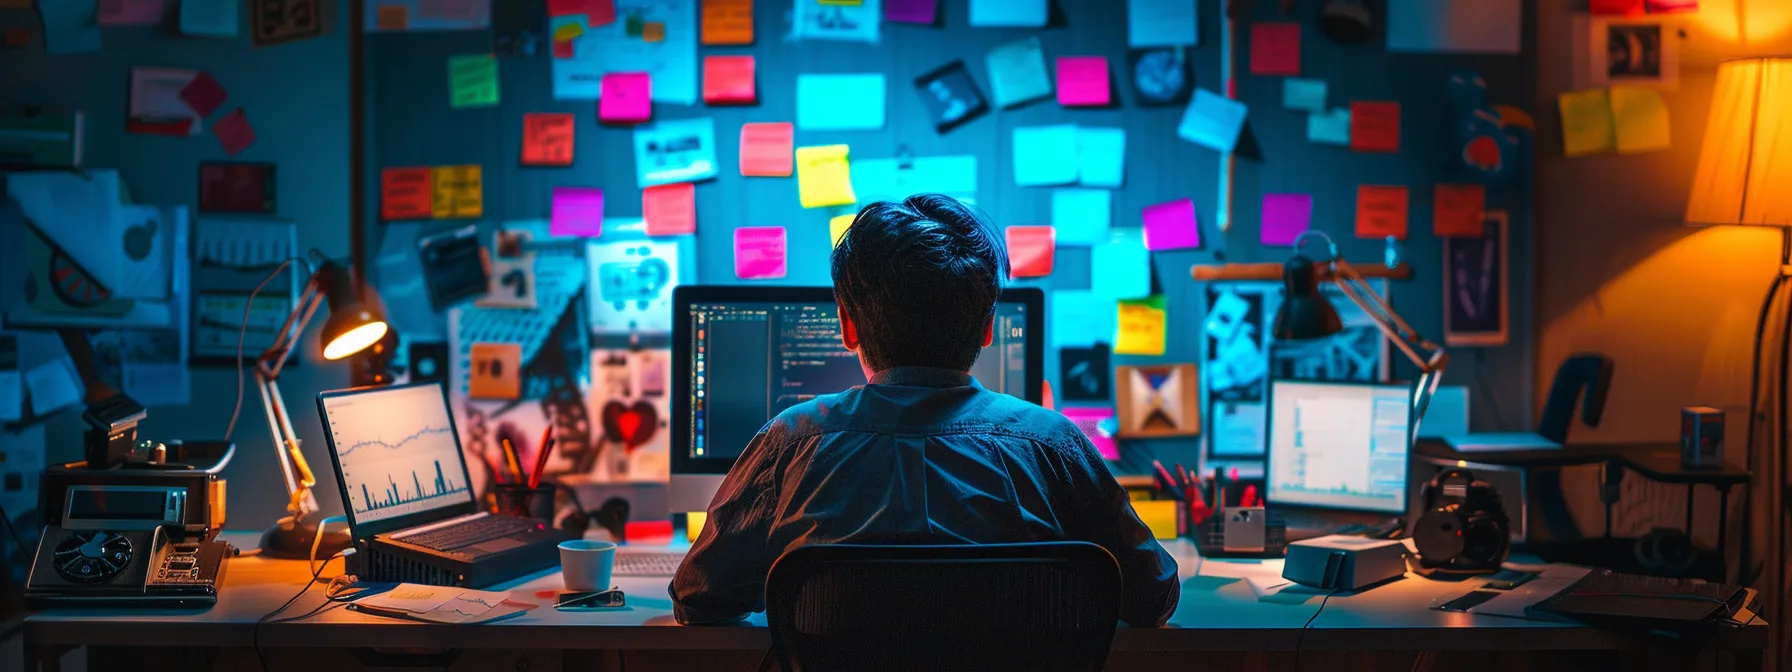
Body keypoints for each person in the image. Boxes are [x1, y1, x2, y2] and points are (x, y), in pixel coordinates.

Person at [670, 194, 1180, 627]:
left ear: (847, 327)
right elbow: (1152, 597)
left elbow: (697, 597)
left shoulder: (792, 443)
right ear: (987, 329)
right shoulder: (1054, 446)